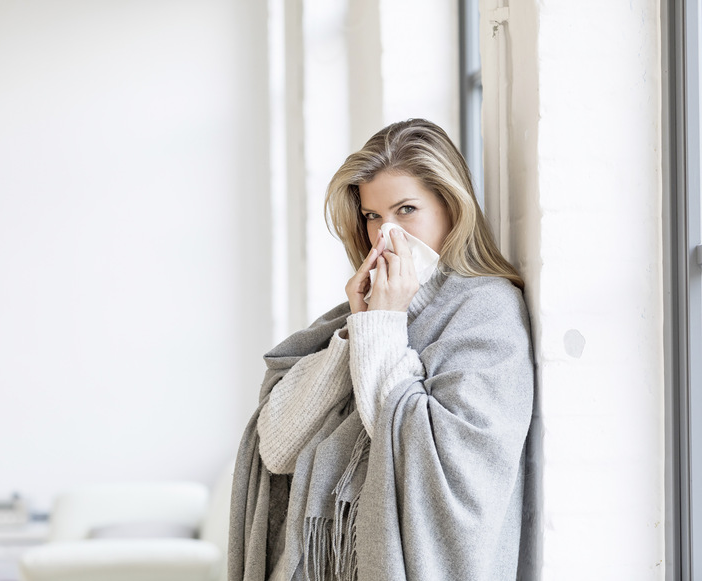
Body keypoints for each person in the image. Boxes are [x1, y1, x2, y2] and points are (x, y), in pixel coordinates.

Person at [227, 119, 534, 581]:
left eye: (406, 209)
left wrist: (382, 325)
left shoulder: (486, 310)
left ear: (452, 208)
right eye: (373, 216)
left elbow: (437, 473)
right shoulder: (359, 313)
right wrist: (360, 327)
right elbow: (275, 447)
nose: (386, 235)